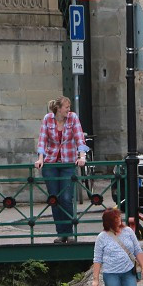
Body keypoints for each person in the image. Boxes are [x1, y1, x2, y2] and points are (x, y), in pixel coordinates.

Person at [34, 96, 88, 243]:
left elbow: (79, 138)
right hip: (51, 164)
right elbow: (42, 140)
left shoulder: (73, 118)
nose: (69, 110)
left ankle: (69, 232)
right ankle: (60, 233)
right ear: (58, 108)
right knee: (54, 199)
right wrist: (40, 159)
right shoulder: (47, 119)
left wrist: (82, 156)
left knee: (65, 198)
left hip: (68, 162)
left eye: (69, 108)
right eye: (66, 107)